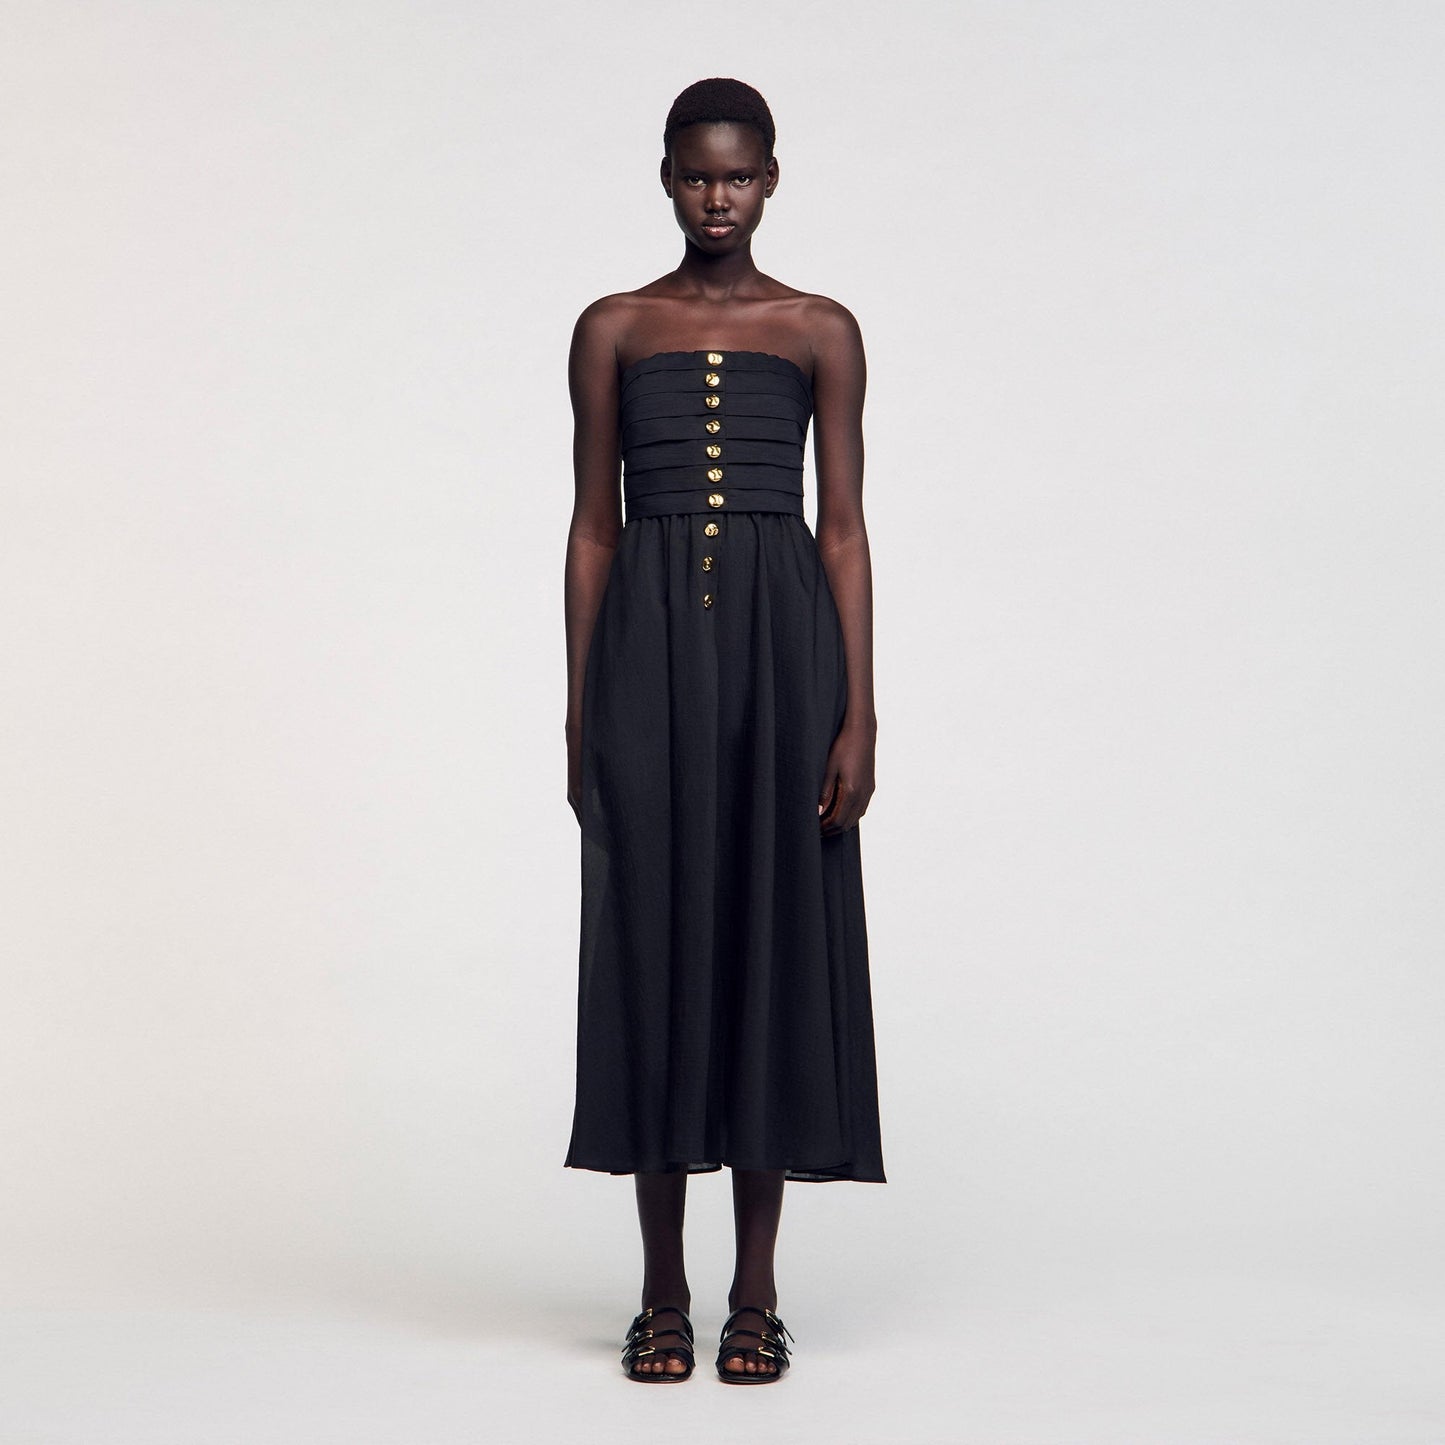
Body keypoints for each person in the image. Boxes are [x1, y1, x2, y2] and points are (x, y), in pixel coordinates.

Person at [562, 77, 885, 1385]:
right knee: (653, 946)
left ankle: (755, 1293)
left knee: (766, 946)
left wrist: (858, 710)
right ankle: (660, 1293)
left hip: (780, 661)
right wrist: (580, 709)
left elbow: (843, 528)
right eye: (696, 175)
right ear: (664, 177)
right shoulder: (611, 327)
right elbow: (593, 529)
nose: (717, 197)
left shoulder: (819, 330)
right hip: (645, 662)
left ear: (770, 179)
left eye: (738, 175)